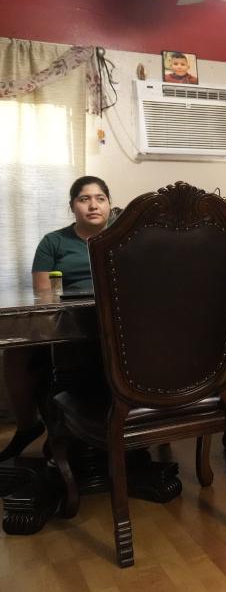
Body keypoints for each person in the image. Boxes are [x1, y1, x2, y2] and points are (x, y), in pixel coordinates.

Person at [0, 176, 111, 462]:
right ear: (72, 206)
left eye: (100, 198)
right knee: (15, 352)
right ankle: (29, 426)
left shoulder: (125, 237)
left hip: (115, 321)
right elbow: (42, 295)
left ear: (109, 204)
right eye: (84, 199)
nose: (93, 205)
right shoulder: (54, 242)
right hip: (65, 321)